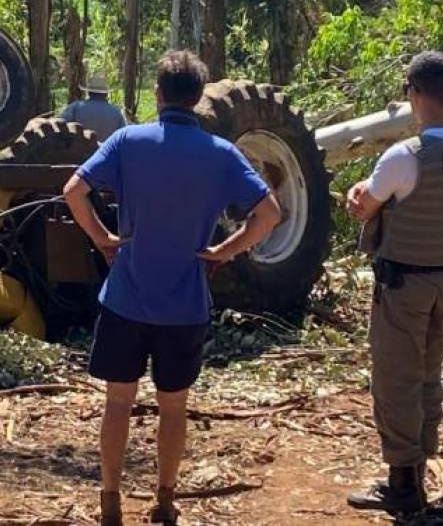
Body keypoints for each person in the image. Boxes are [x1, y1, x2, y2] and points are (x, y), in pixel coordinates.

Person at [62, 51, 282, 526]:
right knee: (174, 408)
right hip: (185, 306)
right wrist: (227, 250)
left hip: (126, 298)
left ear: (158, 94)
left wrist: (103, 240)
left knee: (118, 401)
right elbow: (270, 214)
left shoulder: (127, 141)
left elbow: (73, 191)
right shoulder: (222, 154)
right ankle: (163, 499)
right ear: (198, 98)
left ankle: (110, 501)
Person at [346, 51, 443, 514]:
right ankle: (418, 465)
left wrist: (356, 196)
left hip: (404, 285)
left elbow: (366, 207)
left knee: (395, 380)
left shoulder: (405, 156)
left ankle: (403, 484)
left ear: (415, 94)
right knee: (428, 373)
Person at [61, 76, 126, 141]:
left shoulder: (75, 107)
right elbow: (124, 136)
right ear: (106, 94)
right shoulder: (116, 112)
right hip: (108, 150)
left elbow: (60, 125)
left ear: (89, 92)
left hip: (80, 150)